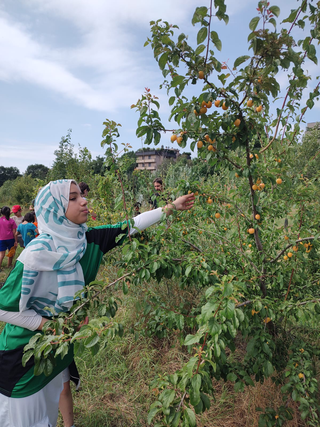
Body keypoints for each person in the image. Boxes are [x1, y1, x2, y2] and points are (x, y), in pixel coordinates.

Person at [0, 179, 195, 427]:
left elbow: (132, 225)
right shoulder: (35, 254)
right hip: (22, 357)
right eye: (72, 198)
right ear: (54, 208)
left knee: (46, 420)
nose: (84, 200)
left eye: (81, 194)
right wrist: (46, 326)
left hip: (56, 351)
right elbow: (3, 309)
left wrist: (172, 207)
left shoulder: (88, 241)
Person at [0, 206, 18, 270]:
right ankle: (9, 265)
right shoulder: (11, 221)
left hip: (1, 239)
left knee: (2, 254)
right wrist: (16, 241)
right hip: (10, 239)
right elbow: (14, 232)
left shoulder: (0, 220)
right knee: (11, 252)